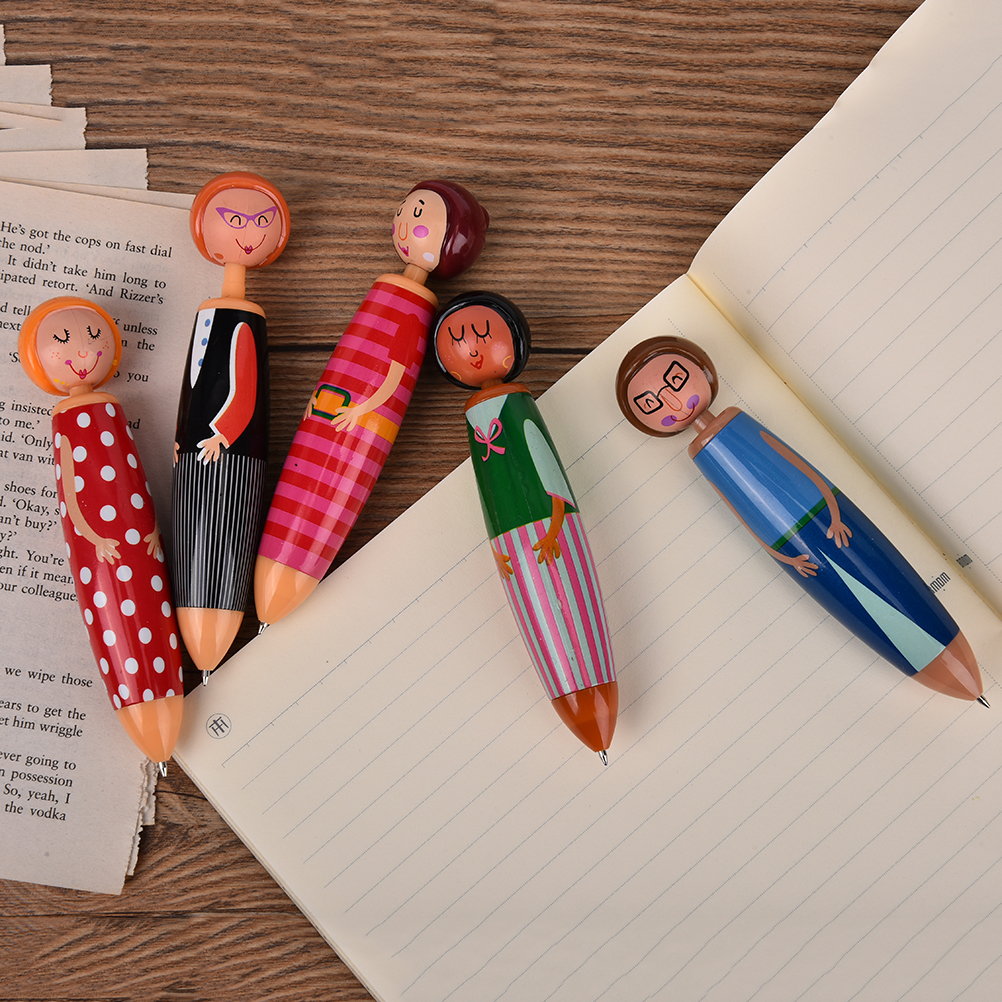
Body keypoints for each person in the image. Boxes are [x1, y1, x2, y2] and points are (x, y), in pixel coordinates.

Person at [615, 335, 985, 702]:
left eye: (676, 381)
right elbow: (743, 515)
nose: (674, 403)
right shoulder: (706, 458)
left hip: (832, 522)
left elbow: (804, 470)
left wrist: (835, 515)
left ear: (703, 373)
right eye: (651, 404)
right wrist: (787, 557)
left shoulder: (741, 426)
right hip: (793, 546)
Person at [254, 180, 489, 626]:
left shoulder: (409, 315)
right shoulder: (387, 299)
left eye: (420, 215)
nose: (405, 222)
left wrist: (359, 410)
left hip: (353, 422)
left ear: (450, 244)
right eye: (407, 210)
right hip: (330, 418)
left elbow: (393, 377)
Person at [434, 291, 618, 760]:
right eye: (459, 342)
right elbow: (489, 496)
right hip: (512, 545)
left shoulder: (520, 412)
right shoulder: (476, 421)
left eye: (483, 336)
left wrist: (554, 530)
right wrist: (499, 548)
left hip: (551, 536)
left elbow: (550, 478)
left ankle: (589, 698)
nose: (473, 350)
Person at [19, 296, 185, 768]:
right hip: (103, 552)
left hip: (138, 546)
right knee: (119, 604)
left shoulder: (111, 414)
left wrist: (148, 535)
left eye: (94, 337)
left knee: (146, 594)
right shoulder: (67, 427)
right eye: (63, 342)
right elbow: (75, 501)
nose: (83, 351)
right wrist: (96, 539)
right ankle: (145, 697)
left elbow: (135, 486)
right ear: (39, 363)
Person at [173, 172, 291, 678]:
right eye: (234, 222)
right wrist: (186, 441)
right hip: (198, 453)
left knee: (223, 521)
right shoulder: (210, 316)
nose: (247, 233)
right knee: (197, 523)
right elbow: (196, 392)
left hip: (226, 453)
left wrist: (221, 434)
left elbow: (244, 387)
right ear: (206, 231)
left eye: (261, 223)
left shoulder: (244, 324)